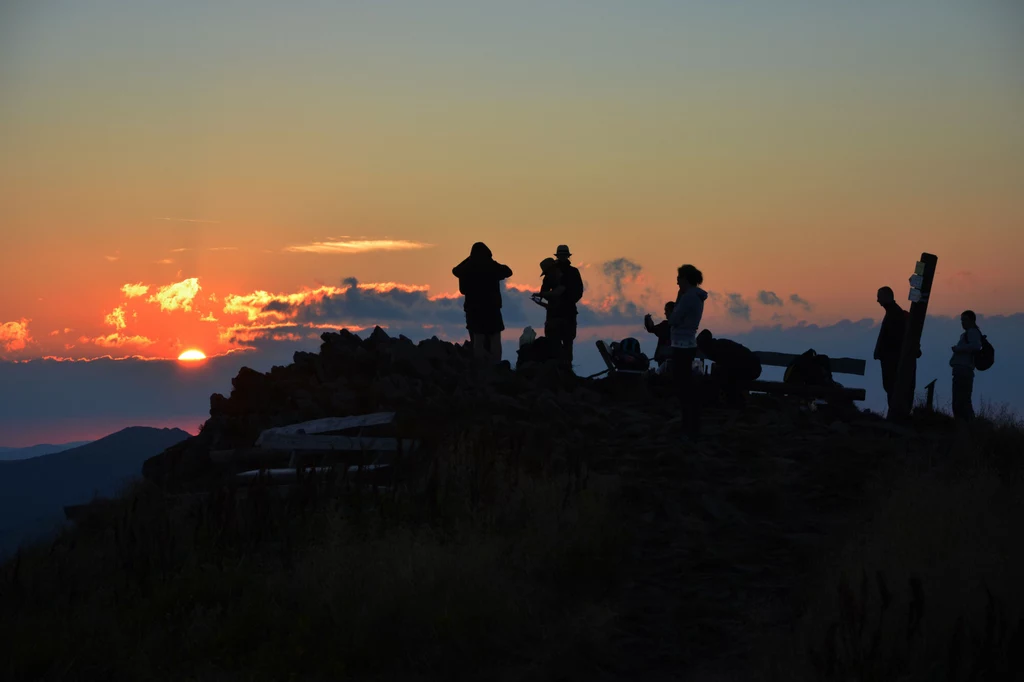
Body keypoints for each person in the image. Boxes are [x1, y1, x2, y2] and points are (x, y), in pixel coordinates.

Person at [451, 242, 513, 363]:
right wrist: (491, 261)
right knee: (495, 337)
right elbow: (508, 271)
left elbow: (455, 270)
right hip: (492, 309)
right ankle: (496, 365)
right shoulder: (492, 266)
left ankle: (480, 367)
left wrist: (469, 259)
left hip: (474, 309)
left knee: (478, 339)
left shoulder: (468, 267)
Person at [669, 264, 708, 443]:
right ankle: (690, 425)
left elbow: (674, 319)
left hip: (682, 346)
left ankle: (689, 426)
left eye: (679, 278)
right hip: (687, 344)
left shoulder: (689, 298)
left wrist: (678, 301)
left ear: (685, 278)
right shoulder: (694, 297)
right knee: (685, 386)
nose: (677, 281)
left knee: (683, 387)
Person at [873, 286, 918, 415]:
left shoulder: (894, 315)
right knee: (893, 388)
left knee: (893, 388)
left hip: (892, 361)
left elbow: (894, 339)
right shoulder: (894, 313)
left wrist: (882, 352)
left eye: (879, 297)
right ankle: (897, 414)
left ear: (887, 297)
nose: (877, 300)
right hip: (892, 360)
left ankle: (897, 415)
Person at [538, 245, 584, 369]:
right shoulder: (571, 272)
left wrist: (557, 298)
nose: (562, 257)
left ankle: (562, 370)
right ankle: (564, 370)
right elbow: (579, 292)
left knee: (562, 342)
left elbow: (544, 291)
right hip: (563, 312)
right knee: (563, 343)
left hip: (560, 313)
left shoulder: (568, 272)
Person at [696, 329, 761, 407]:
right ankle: (734, 401)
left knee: (723, 377)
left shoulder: (717, 349)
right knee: (723, 376)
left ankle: (735, 402)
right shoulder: (717, 345)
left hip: (751, 368)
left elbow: (728, 364)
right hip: (749, 367)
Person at [949, 309, 983, 422]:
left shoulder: (972, 332)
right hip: (962, 370)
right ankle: (965, 425)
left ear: (972, 320)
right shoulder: (967, 333)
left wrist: (958, 349)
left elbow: (976, 346)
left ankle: (965, 425)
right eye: (962, 320)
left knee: (961, 401)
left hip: (964, 370)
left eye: (965, 320)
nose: (963, 323)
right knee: (961, 400)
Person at [644, 301, 675, 368]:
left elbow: (651, 329)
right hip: (663, 359)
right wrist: (647, 320)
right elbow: (651, 328)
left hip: (670, 359)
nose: (665, 313)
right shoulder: (664, 325)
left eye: (667, 310)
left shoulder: (665, 326)